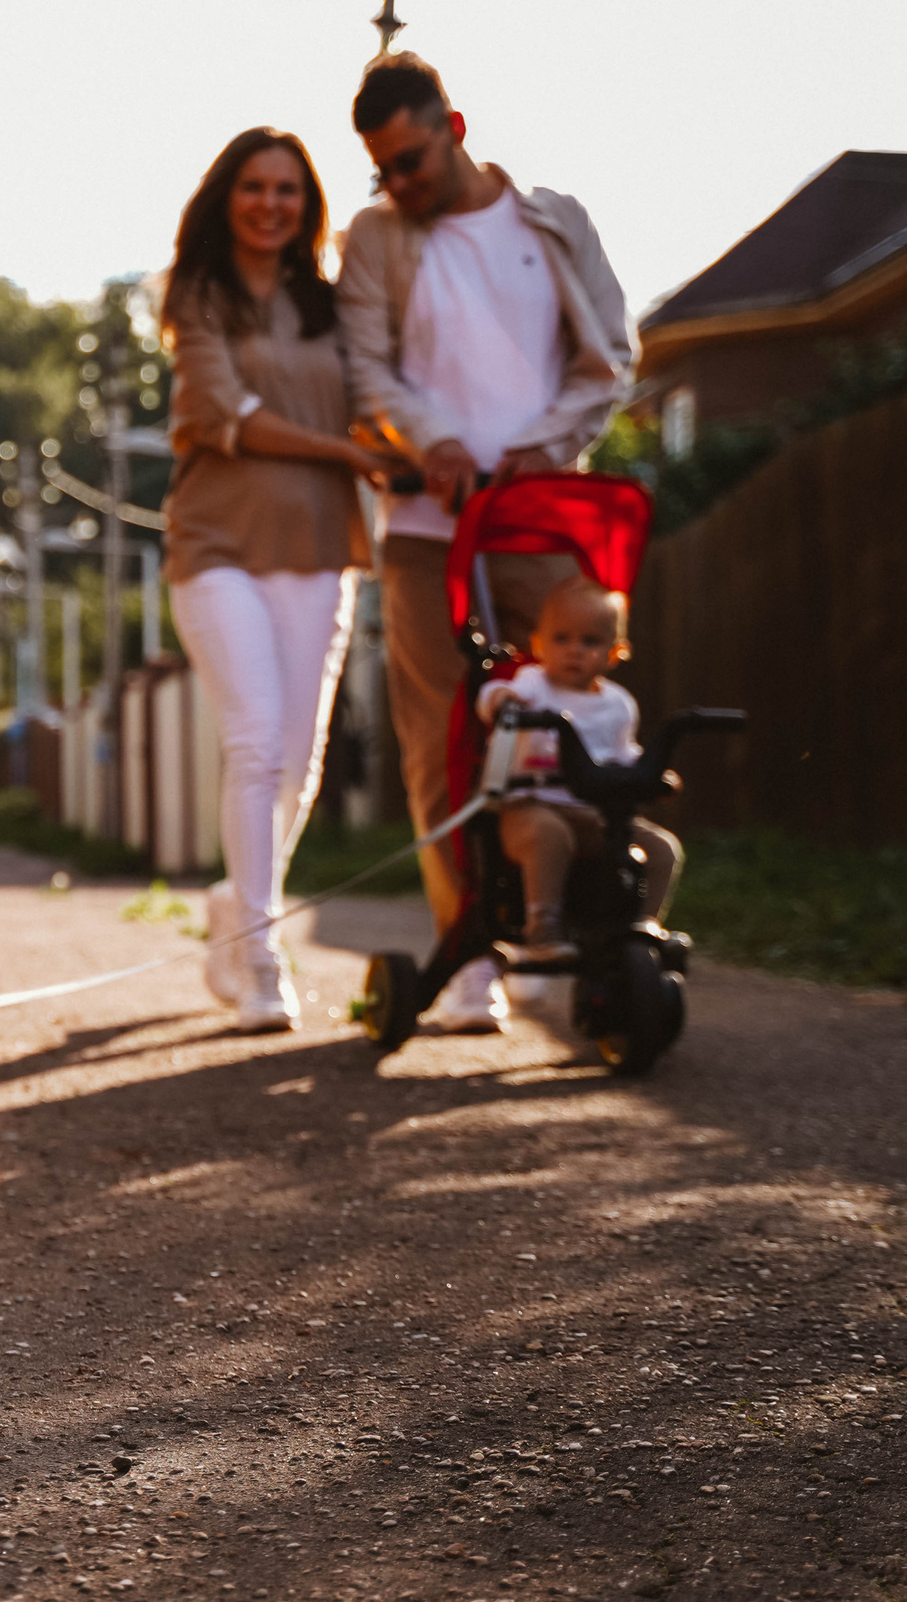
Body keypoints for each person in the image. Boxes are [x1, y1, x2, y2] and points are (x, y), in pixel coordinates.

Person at [335, 53, 633, 1031]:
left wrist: (538, 450)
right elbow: (367, 372)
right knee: (442, 743)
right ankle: (468, 958)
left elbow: (611, 362)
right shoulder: (376, 238)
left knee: (565, 719)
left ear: (452, 128)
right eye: (382, 170)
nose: (397, 185)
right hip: (426, 531)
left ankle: (579, 932)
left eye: (410, 162)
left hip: (539, 516)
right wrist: (437, 442)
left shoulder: (552, 224)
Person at [160, 126, 403, 1033]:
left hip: (320, 546)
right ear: (228, 197)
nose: (271, 203)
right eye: (255, 186)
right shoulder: (200, 294)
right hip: (218, 542)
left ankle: (236, 901)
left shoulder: (333, 305)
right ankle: (261, 953)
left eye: (288, 189)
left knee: (297, 764)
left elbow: (378, 396)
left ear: (308, 205)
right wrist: (340, 448)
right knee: (255, 740)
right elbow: (226, 412)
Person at [475, 577, 681, 960]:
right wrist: (501, 698)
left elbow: (623, 754)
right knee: (550, 834)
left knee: (662, 849)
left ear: (615, 653)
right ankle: (543, 926)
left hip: (593, 813)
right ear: (537, 644)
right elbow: (490, 701)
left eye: (589, 642)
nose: (574, 651)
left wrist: (648, 774)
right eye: (561, 639)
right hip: (530, 807)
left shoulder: (619, 705)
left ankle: (641, 926)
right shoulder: (532, 685)